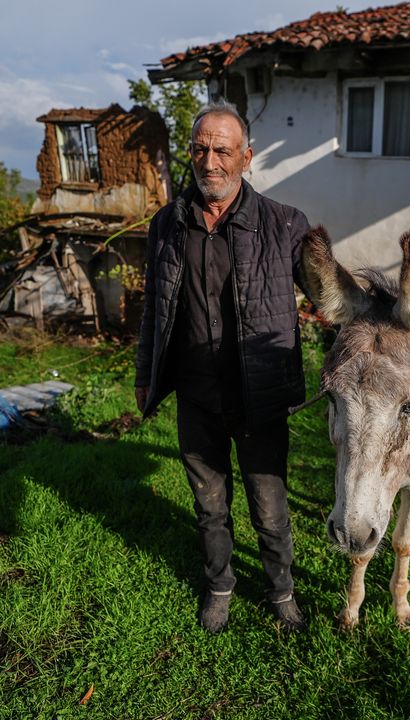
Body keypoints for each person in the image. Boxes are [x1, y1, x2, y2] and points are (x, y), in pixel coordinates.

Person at [135, 100, 310, 633]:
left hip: (258, 396)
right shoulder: (167, 224)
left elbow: (330, 291)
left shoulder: (284, 224)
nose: (209, 161)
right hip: (197, 395)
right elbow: (155, 308)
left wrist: (380, 315)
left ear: (247, 157)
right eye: (201, 149)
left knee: (270, 508)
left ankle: (281, 593)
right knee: (210, 505)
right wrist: (147, 375)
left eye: (223, 151)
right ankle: (219, 586)